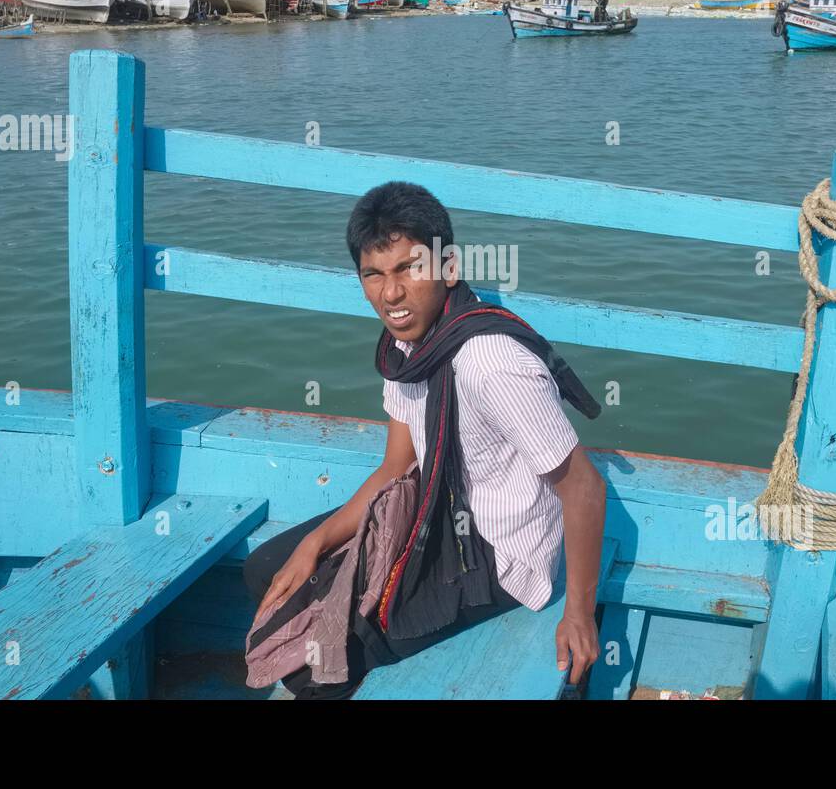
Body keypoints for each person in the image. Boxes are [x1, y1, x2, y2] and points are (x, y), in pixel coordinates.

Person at [243, 182, 607, 699]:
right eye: (374, 274)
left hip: (499, 557)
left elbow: (585, 489)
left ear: (449, 268)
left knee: (315, 670)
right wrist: (316, 542)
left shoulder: (491, 363)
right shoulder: (406, 345)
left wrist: (579, 613)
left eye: (409, 268)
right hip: (435, 512)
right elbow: (396, 468)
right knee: (266, 570)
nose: (391, 294)